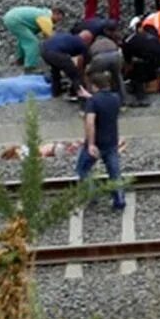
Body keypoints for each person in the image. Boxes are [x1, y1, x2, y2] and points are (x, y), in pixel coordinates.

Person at [78, 71, 127, 209]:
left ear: (94, 86)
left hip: (97, 142)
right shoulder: (115, 98)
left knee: (83, 170)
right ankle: (119, 200)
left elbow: (90, 123)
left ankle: (92, 197)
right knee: (114, 172)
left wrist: (91, 144)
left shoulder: (92, 102)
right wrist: (90, 97)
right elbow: (102, 102)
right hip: (112, 140)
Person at [3, 4, 62, 70]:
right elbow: (49, 37)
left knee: (25, 39)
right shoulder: (46, 18)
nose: (58, 21)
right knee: (32, 42)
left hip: (11, 16)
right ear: (56, 14)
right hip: (15, 20)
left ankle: (20, 59)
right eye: (59, 19)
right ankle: (30, 67)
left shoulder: (43, 13)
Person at [41, 28, 91, 101]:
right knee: (75, 75)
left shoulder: (69, 37)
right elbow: (83, 62)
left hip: (44, 50)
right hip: (56, 54)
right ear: (87, 39)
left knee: (55, 71)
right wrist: (81, 73)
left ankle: (55, 92)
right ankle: (78, 94)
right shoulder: (82, 43)